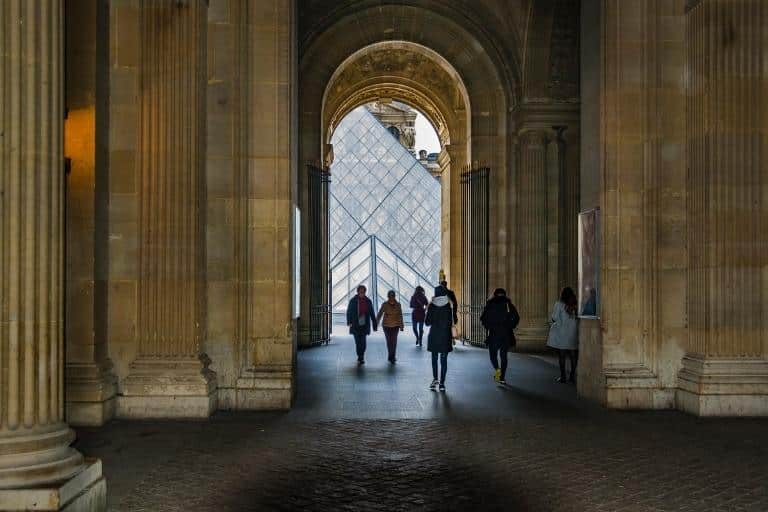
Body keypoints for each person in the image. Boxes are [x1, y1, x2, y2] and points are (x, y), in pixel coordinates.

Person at [480, 288, 520, 385]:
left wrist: (489, 327)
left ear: (495, 294)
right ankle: (502, 377)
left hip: (494, 334)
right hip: (506, 334)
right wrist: (510, 326)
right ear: (504, 295)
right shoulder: (508, 305)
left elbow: (483, 318)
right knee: (504, 356)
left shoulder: (490, 304)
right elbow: (516, 317)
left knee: (493, 355)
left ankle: (497, 370)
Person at [425, 284, 455, 392]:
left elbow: (427, 322)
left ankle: (435, 379)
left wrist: (428, 307)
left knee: (434, 358)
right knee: (444, 360)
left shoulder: (432, 305)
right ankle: (442, 383)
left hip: (434, 335)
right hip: (445, 336)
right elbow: (453, 321)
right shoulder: (449, 305)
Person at [546, 287, 579, 383]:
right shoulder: (576, 305)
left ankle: (563, 376)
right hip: (573, 332)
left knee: (562, 355)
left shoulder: (559, 304)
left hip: (562, 333)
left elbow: (554, 317)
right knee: (573, 355)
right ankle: (572, 375)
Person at [346, 285, 378, 365]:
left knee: (363, 342)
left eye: (363, 292)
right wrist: (349, 322)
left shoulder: (368, 301)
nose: (362, 293)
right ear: (358, 292)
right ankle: (360, 356)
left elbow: (372, 313)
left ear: (365, 292)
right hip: (355, 325)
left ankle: (361, 355)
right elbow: (349, 312)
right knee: (358, 342)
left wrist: (374, 324)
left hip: (364, 325)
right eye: (360, 292)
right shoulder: (353, 301)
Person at [377, 290, 404, 363]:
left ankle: (393, 356)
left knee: (394, 341)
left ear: (394, 296)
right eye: (390, 296)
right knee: (389, 341)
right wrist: (376, 323)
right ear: (388, 297)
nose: (391, 298)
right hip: (386, 326)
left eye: (392, 296)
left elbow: (400, 315)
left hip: (395, 326)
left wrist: (401, 325)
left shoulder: (398, 305)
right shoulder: (385, 304)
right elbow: (380, 314)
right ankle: (390, 355)